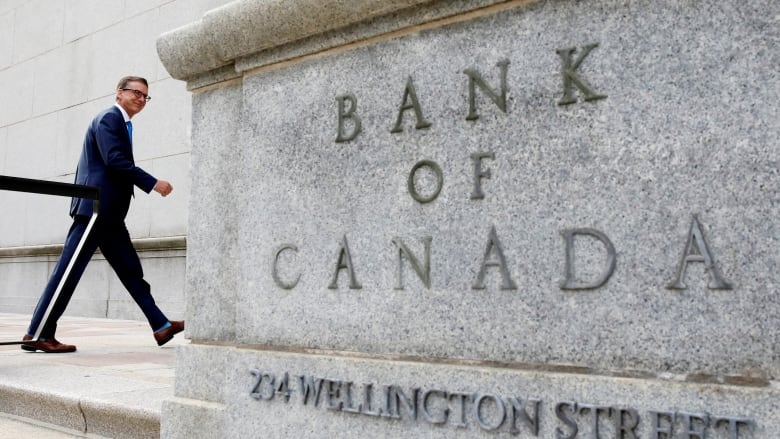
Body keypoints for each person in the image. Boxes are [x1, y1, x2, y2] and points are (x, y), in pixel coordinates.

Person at [21, 76, 184, 353]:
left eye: (146, 96)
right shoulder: (110, 118)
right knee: (67, 272)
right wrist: (153, 183)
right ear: (119, 93)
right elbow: (115, 161)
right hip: (95, 211)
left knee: (131, 271)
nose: (141, 99)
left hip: (110, 215)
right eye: (136, 93)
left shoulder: (121, 122)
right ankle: (38, 334)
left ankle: (160, 325)